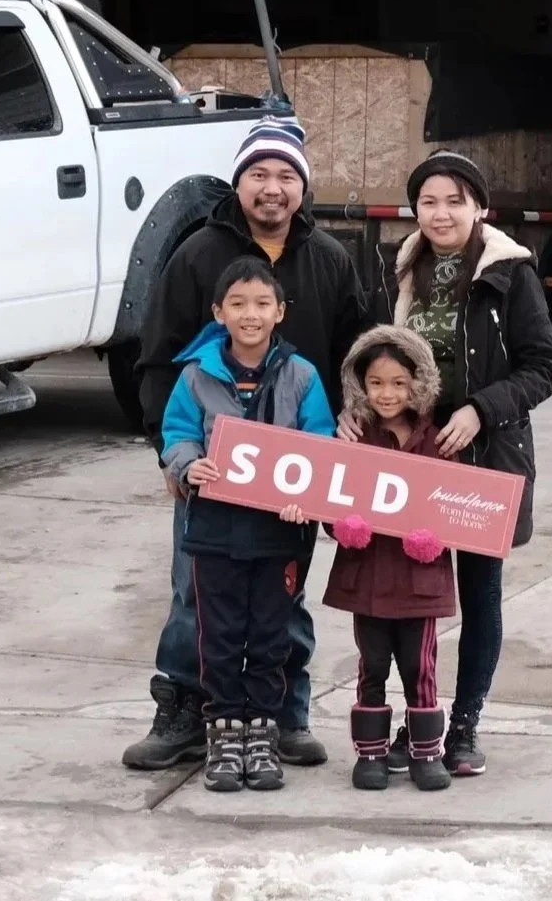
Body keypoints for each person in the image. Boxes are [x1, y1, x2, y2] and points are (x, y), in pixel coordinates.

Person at [123, 117, 381, 772]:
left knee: (283, 592)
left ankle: (285, 713)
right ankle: (182, 710)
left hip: (294, 474)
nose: (272, 188)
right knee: (194, 592)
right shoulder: (197, 256)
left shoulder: (329, 258)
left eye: (286, 176)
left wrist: (352, 416)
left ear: (303, 186)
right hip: (209, 473)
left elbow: (361, 348)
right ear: (238, 181)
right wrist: (170, 453)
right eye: (259, 174)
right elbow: (157, 360)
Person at [385, 150, 552, 778]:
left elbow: (544, 367)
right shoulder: (403, 269)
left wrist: (482, 411)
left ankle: (463, 728)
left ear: (480, 207)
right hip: (415, 454)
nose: (440, 213)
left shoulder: (509, 274)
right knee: (414, 598)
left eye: (455, 201)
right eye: (429, 201)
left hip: (486, 456)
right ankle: (421, 721)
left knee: (479, 594)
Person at [157, 258, 336, 794]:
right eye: (237, 304)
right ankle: (223, 731)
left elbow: (319, 443)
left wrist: (307, 496)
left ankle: (263, 731)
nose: (250, 314)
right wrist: (188, 464)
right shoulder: (195, 375)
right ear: (219, 312)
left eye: (262, 304)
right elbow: (177, 432)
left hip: (279, 536)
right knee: (219, 637)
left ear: (280, 312)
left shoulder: (302, 376)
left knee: (269, 637)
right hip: (213, 531)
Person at [323, 325, 458, 793]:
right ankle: (371, 755)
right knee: (372, 665)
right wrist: (344, 525)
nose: (387, 393)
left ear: (418, 384)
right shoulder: (353, 439)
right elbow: (329, 503)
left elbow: (460, 510)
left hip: (420, 586)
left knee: (421, 668)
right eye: (376, 383)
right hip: (369, 583)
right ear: (360, 385)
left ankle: (426, 754)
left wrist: (436, 537)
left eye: (399, 383)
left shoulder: (439, 443)